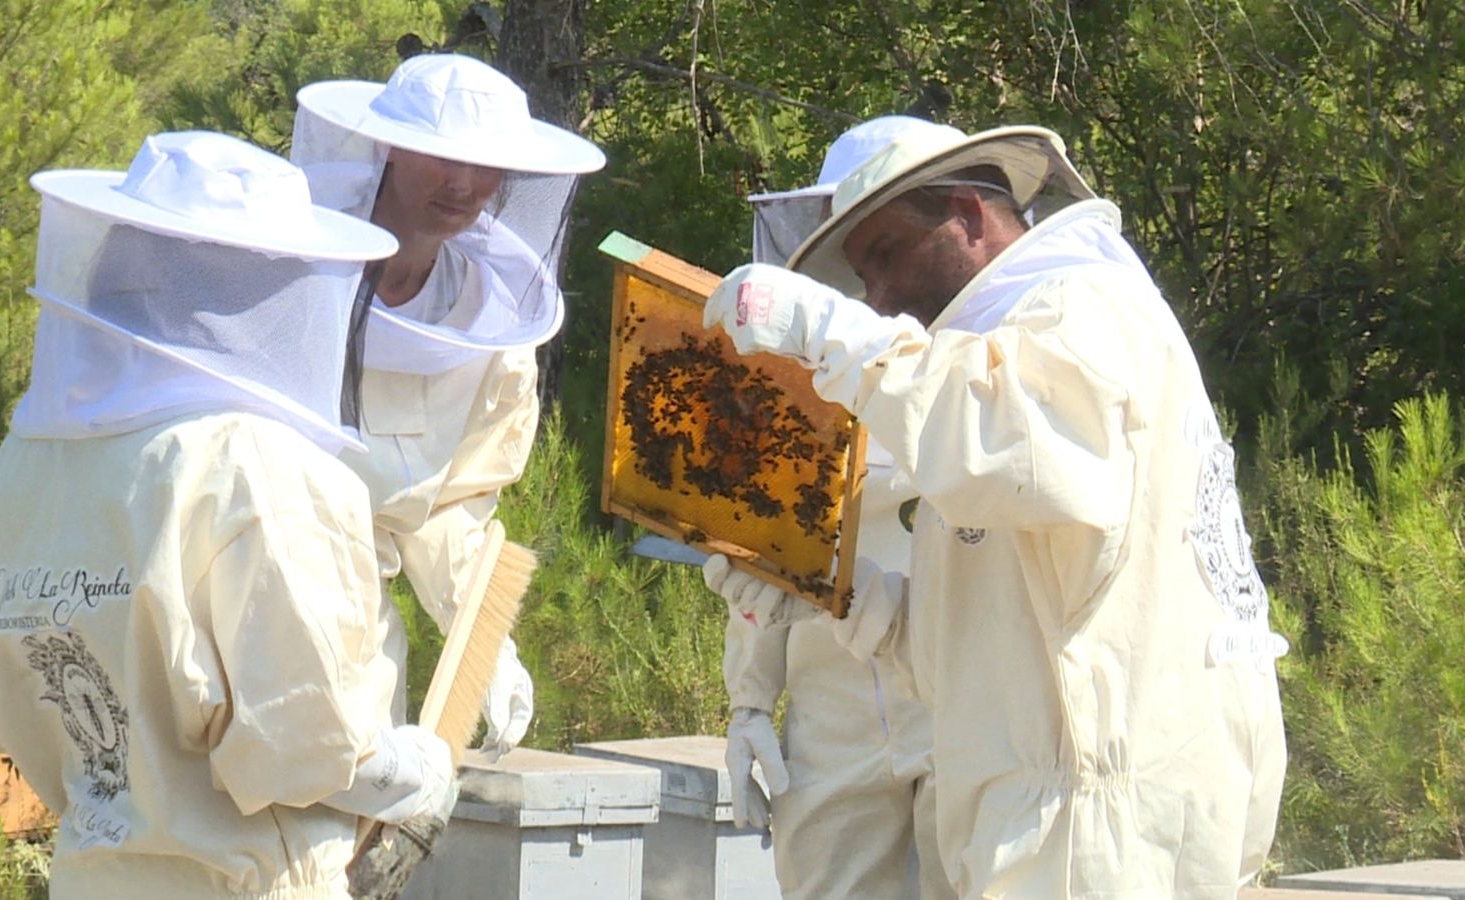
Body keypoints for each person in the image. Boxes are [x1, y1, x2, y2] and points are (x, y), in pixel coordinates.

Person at [701, 124, 1288, 897]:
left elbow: (1004, 442)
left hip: (1099, 829)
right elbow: (983, 648)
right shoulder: (1012, 347)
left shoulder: (1083, 310)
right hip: (1060, 817)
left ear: (968, 219)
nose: (876, 299)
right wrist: (840, 594)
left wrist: (834, 333)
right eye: (860, 284)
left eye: (883, 257)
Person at [0, 131, 454, 898]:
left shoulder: (30, 457)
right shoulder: (256, 465)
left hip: (92, 875)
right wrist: (412, 773)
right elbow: (304, 744)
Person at [289, 54, 605, 757]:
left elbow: (451, 506)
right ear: (390, 147)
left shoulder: (493, 326)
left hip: (359, 613)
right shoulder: (293, 268)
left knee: (354, 802)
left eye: (484, 165)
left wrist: (485, 641)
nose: (463, 184)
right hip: (253, 576)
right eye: (441, 158)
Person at [705, 115, 953, 900]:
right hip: (828, 698)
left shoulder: (971, 370)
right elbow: (758, 551)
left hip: (950, 683)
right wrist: (747, 702)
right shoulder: (792, 373)